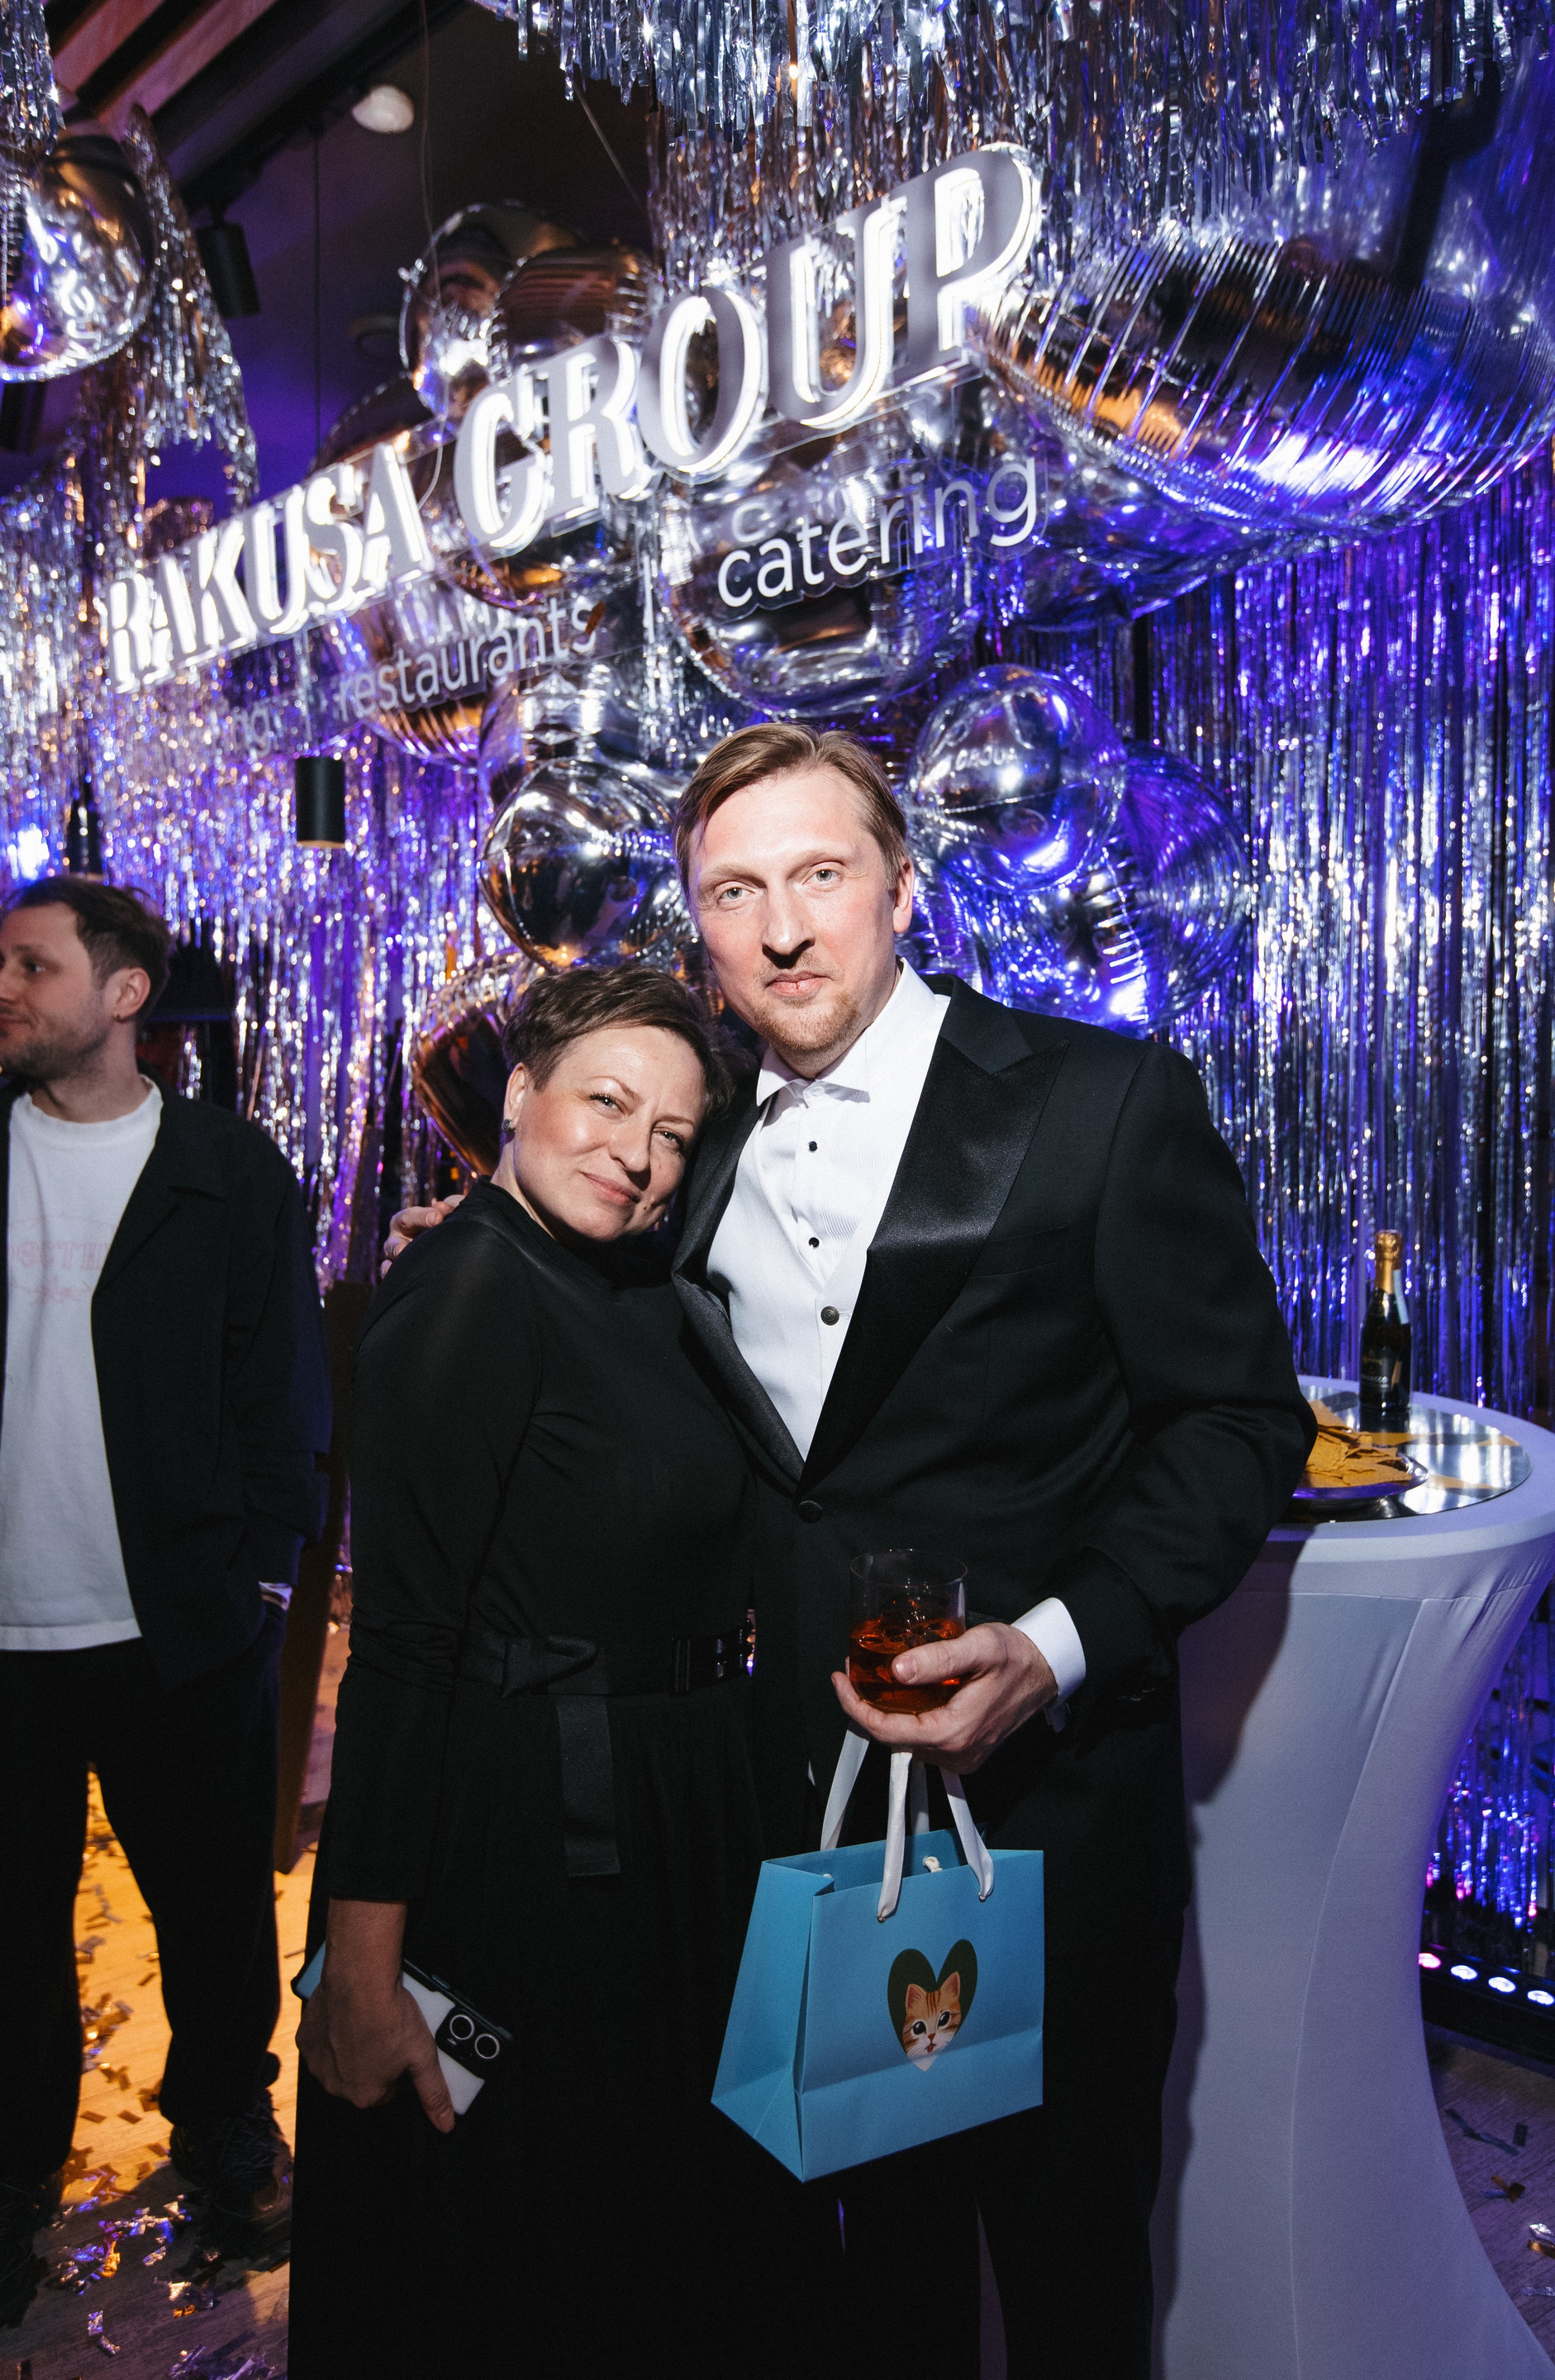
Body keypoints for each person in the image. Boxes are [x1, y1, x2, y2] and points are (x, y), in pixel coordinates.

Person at [388, 721, 1314, 2378]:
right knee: (866, 2271)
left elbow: (1239, 1424)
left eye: (819, 874)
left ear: (901, 887)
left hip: (1046, 1812)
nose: (783, 930)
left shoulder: (1102, 1102)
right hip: (790, 1804)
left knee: (1069, 2264)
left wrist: (1059, 1644)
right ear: (697, 925)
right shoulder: (692, 1136)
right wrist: (483, 1238)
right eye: (735, 893)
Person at [289, 964, 767, 2380]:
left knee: (634, 2237)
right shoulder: (469, 1288)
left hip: (661, 1821)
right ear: (518, 1093)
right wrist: (363, 1971)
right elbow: (402, 1653)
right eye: (606, 1103)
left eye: (672, 1133)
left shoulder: (631, 1274)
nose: (637, 1153)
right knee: (523, 2256)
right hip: (526, 1842)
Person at [0, 879, 330, 2334]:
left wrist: (260, 1580)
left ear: (123, 995)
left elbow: (283, 1391)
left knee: (214, 1910)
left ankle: (227, 2128)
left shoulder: (226, 1169)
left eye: (29, 965)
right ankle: (2, 2179)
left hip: (179, 1626)